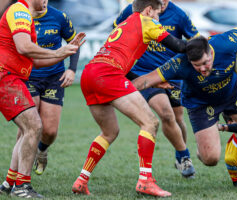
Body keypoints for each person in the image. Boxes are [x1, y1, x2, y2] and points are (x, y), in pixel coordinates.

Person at [132, 24, 237, 189]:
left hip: (233, 93)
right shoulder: (179, 63)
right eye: (197, 65)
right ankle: (202, 146)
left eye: (206, 63)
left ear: (210, 51)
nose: (203, 69)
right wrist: (117, 84)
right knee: (210, 159)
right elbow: (145, 80)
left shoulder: (224, 43)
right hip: (200, 104)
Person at [72, 0, 187, 197]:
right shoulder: (147, 21)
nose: (159, 19)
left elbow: (120, 63)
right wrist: (210, 44)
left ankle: (81, 180)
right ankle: (145, 181)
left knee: (109, 132)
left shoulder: (126, 22)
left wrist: (152, 82)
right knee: (150, 122)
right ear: (149, 10)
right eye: (158, 14)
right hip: (108, 75)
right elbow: (179, 46)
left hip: (90, 74)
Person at [0, 0, 85, 198]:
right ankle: (21, 186)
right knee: (33, 127)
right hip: (7, 78)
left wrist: (66, 53)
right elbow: (23, 47)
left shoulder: (31, 15)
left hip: (16, 78)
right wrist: (57, 51)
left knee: (35, 129)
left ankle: (10, 183)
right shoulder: (19, 11)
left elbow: (36, 61)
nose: (46, 0)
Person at [114, 0, 199, 178]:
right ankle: (185, 157)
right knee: (166, 114)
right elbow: (117, 32)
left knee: (177, 118)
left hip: (172, 74)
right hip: (144, 73)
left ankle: (180, 155)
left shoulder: (179, 15)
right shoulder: (132, 9)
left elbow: (195, 40)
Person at [21, 0, 80, 176]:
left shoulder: (59, 17)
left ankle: (42, 150)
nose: (45, 2)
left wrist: (71, 69)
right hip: (28, 77)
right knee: (28, 127)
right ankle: (20, 175)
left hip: (54, 78)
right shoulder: (20, 16)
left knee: (50, 131)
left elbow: (74, 43)